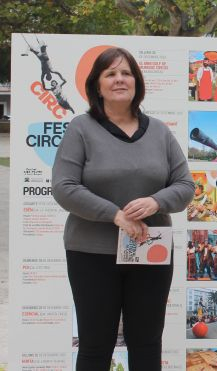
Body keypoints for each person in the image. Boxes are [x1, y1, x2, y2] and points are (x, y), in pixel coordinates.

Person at [52, 47, 195, 370]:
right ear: (97, 85)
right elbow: (64, 187)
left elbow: (185, 185)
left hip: (151, 251)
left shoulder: (158, 131)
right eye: (111, 74)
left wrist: (156, 201)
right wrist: (115, 215)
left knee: (146, 344)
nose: (120, 79)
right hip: (92, 253)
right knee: (95, 345)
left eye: (126, 73)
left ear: (137, 82)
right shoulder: (81, 129)